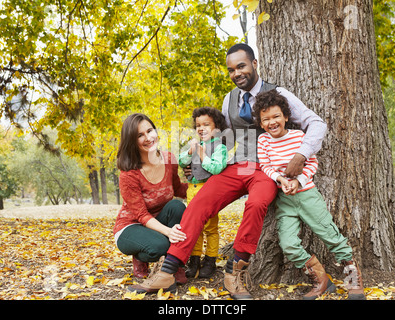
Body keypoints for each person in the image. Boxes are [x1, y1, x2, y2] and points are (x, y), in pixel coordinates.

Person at [127, 43, 327, 300]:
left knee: (255, 205)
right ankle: (169, 269)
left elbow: (316, 123)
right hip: (237, 166)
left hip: (266, 170)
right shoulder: (229, 99)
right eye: (231, 70)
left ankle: (235, 271)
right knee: (199, 202)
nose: (236, 73)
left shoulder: (278, 93)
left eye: (241, 66)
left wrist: (301, 155)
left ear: (255, 64)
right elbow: (221, 140)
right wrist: (197, 164)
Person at [254, 90, 365, 300]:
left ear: (286, 116)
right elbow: (266, 166)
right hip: (284, 200)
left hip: (307, 195)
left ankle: (353, 280)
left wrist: (298, 181)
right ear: (261, 123)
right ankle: (322, 279)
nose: (272, 122)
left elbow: (312, 163)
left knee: (331, 237)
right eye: (266, 119)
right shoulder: (263, 142)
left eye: (276, 116)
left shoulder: (298, 137)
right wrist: (281, 180)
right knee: (288, 243)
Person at [113, 113, 188, 288]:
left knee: (177, 206)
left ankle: (173, 264)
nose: (148, 138)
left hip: (159, 221)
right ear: (132, 141)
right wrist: (169, 232)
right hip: (131, 226)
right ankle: (141, 256)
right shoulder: (129, 174)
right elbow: (141, 215)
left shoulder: (169, 159)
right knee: (160, 246)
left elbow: (178, 190)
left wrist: (203, 184)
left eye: (149, 131)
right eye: (140, 135)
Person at [179, 107, 228, 279]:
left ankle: (210, 260)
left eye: (206, 124)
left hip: (208, 191)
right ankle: (194, 260)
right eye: (198, 125)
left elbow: (216, 168)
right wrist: (192, 152)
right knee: (195, 227)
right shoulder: (194, 144)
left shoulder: (219, 147)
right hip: (192, 190)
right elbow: (181, 161)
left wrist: (202, 155)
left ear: (217, 128)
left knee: (210, 228)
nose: (201, 128)